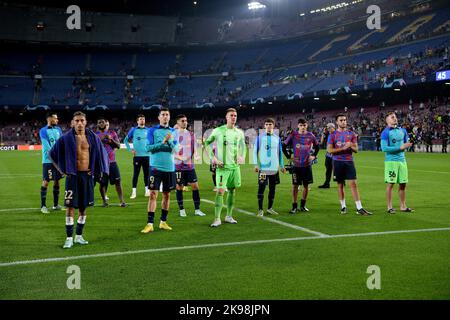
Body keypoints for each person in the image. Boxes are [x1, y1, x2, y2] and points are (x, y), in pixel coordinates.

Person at [49, 111, 109, 249]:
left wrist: (97, 170)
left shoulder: (93, 138)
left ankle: (79, 236)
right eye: (77, 121)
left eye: (82, 120)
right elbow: (51, 154)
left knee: (83, 207)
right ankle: (69, 238)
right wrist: (61, 170)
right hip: (72, 177)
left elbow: (101, 153)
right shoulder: (65, 138)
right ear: (72, 123)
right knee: (70, 207)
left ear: (86, 122)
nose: (80, 123)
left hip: (87, 177)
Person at [204, 108, 246, 227]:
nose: (234, 117)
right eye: (231, 115)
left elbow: (243, 146)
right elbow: (207, 143)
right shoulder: (218, 130)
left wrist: (242, 156)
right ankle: (217, 218)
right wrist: (213, 158)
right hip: (222, 168)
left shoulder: (239, 132)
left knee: (232, 190)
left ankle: (229, 216)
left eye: (235, 115)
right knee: (221, 191)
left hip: (235, 168)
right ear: (226, 117)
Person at [141, 108, 178, 233]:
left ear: (169, 116)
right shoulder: (152, 131)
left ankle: (163, 222)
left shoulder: (174, 131)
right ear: (159, 117)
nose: (165, 117)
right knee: (152, 194)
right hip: (155, 167)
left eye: (167, 114)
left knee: (167, 195)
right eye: (163, 114)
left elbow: (176, 150)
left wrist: (168, 142)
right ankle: (150, 223)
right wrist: (163, 143)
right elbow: (148, 148)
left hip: (169, 168)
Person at [327, 113, 372, 215]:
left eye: (345, 120)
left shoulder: (351, 134)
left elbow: (356, 149)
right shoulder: (332, 135)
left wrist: (350, 146)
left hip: (349, 161)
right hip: (337, 161)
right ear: (337, 122)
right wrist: (343, 148)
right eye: (341, 120)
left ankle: (359, 208)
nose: (343, 122)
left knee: (353, 184)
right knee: (340, 184)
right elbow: (329, 150)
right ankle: (343, 206)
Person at [283, 118, 319, 213]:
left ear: (306, 125)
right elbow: (283, 146)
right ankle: (294, 207)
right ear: (298, 126)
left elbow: (317, 146)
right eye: (301, 125)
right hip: (296, 165)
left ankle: (303, 206)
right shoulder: (293, 135)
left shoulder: (310, 135)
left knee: (306, 186)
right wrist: (289, 156)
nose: (303, 127)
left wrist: (313, 156)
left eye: (304, 125)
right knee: (295, 186)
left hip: (307, 165)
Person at [381, 112, 414, 214]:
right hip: (391, 161)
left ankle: (403, 206)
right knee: (391, 184)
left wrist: (409, 144)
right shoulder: (386, 132)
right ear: (387, 120)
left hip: (402, 161)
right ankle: (389, 207)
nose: (395, 119)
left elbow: (405, 144)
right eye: (392, 117)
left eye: (395, 117)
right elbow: (384, 148)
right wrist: (400, 147)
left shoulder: (403, 130)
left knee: (403, 184)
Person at [173, 114, 206, 217]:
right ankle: (182, 210)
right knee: (179, 187)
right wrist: (180, 158)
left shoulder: (191, 135)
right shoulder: (173, 135)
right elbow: (171, 151)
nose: (185, 122)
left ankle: (197, 209)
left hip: (189, 166)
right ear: (178, 122)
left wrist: (196, 155)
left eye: (186, 120)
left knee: (195, 186)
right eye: (182, 121)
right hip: (178, 166)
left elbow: (195, 149)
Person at [253, 118, 286, 217]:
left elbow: (280, 153)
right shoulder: (260, 138)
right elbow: (254, 152)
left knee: (273, 189)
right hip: (263, 169)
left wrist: (282, 166)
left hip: (274, 169)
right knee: (261, 188)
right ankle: (260, 210)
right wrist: (256, 164)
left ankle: (270, 208)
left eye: (270, 124)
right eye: (266, 124)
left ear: (273, 126)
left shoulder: (277, 138)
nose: (268, 126)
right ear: (264, 126)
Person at [95, 118, 127, 208]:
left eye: (103, 122)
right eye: (99, 122)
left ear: (106, 123)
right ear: (97, 125)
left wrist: (111, 140)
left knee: (118, 181)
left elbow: (118, 146)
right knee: (102, 183)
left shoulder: (112, 133)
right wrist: (100, 141)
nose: (101, 123)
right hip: (101, 163)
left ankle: (122, 201)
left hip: (112, 162)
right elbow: (93, 148)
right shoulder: (95, 135)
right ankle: (104, 201)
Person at [39, 113, 63, 214]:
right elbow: (46, 146)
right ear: (49, 119)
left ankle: (55, 205)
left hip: (58, 160)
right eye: (55, 118)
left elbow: (62, 142)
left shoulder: (58, 130)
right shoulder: (43, 130)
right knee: (46, 181)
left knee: (57, 181)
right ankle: (43, 206)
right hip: (48, 160)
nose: (57, 120)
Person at [124, 114, 150, 199]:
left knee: (147, 174)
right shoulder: (133, 130)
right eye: (140, 119)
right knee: (136, 174)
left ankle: (147, 191)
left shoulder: (148, 130)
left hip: (147, 156)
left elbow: (152, 141)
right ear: (137, 121)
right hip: (137, 156)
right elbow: (125, 140)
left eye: (143, 119)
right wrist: (130, 150)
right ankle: (134, 192)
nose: (142, 120)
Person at [318, 123, 335, 189]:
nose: (327, 129)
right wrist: (323, 133)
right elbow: (321, 143)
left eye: (328, 128)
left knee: (336, 169)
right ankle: (327, 183)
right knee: (328, 169)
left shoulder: (337, 134)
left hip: (334, 155)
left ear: (332, 127)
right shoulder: (328, 135)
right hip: (328, 155)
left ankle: (341, 180)